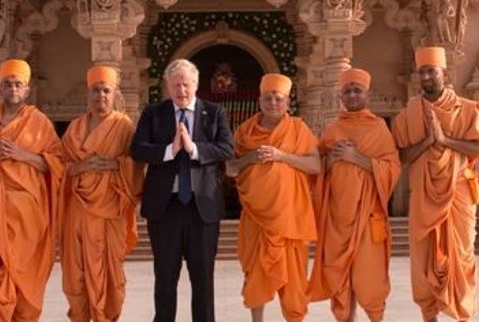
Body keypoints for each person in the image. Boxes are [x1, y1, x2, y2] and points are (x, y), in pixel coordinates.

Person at [392, 47, 479, 322]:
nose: (426, 76)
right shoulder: (408, 114)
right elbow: (400, 157)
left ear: (444, 74)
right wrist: (427, 142)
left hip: (457, 194)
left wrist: (445, 141)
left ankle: (462, 315)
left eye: (431, 71)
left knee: (461, 256)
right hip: (423, 196)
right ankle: (429, 317)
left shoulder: (467, 109)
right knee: (423, 260)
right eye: (422, 71)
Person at [131, 58, 235, 322]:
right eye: (176, 85)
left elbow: (226, 148)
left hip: (202, 210)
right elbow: (138, 149)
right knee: (165, 280)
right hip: (165, 210)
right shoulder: (153, 113)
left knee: (203, 281)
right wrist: (170, 150)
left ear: (196, 85)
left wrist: (194, 148)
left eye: (186, 85)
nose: (181, 91)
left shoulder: (214, 112)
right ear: (168, 86)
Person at [0, 58, 64, 322]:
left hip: (28, 215)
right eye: (8, 83)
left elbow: (55, 164)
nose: (13, 88)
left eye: (18, 84)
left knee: (24, 276)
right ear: (0, 87)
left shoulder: (39, 123)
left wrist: (23, 155)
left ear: (27, 90)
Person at [309, 67, 401, 322]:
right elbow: (316, 166)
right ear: (342, 95)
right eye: (347, 90)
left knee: (369, 278)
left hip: (367, 217)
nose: (351, 94)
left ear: (366, 95)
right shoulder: (334, 129)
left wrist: (355, 157)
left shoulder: (378, 127)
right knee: (340, 280)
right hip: (337, 219)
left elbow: (392, 167)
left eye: (356, 90)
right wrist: (331, 160)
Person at [228, 73, 320, 322]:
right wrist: (251, 157)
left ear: (287, 102)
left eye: (278, 99)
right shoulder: (245, 131)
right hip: (256, 217)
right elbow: (230, 167)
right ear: (260, 100)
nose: (273, 103)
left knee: (294, 279)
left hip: (290, 217)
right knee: (255, 273)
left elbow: (315, 165)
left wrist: (282, 156)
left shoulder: (298, 129)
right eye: (268, 98)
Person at [60, 65, 143, 322]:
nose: (101, 96)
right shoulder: (74, 129)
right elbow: (58, 167)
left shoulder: (124, 126)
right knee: (76, 272)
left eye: (106, 90)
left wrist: (117, 164)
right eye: (96, 90)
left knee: (110, 273)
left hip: (112, 209)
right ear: (89, 94)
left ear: (114, 93)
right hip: (79, 210)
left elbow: (137, 164)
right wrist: (80, 166)